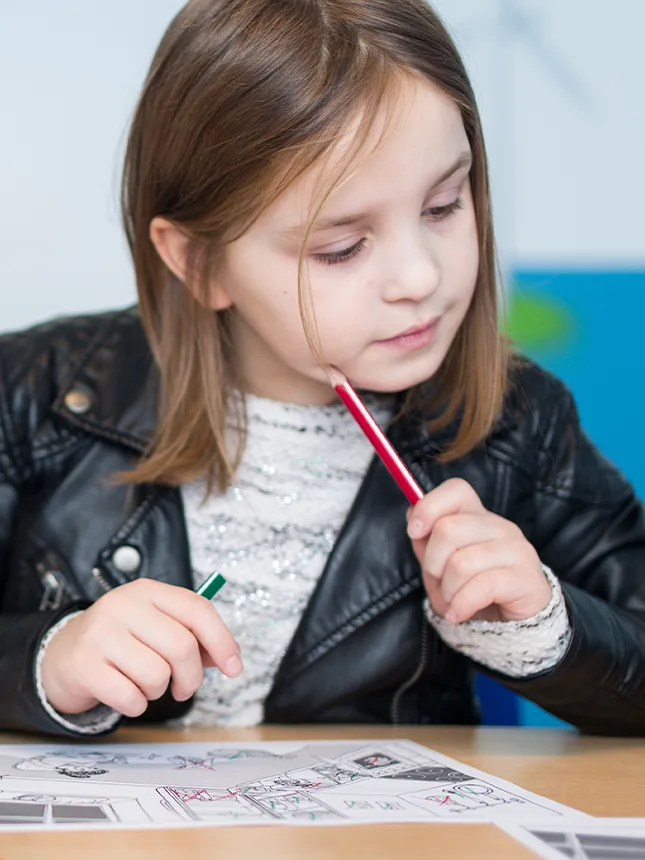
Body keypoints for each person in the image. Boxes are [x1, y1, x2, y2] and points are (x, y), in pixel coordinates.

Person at [0, 0, 643, 739]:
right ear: (198, 262)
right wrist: (48, 661)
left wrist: (546, 624)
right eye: (341, 248)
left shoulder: (518, 422)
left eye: (443, 205)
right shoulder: (31, 394)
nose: (419, 276)